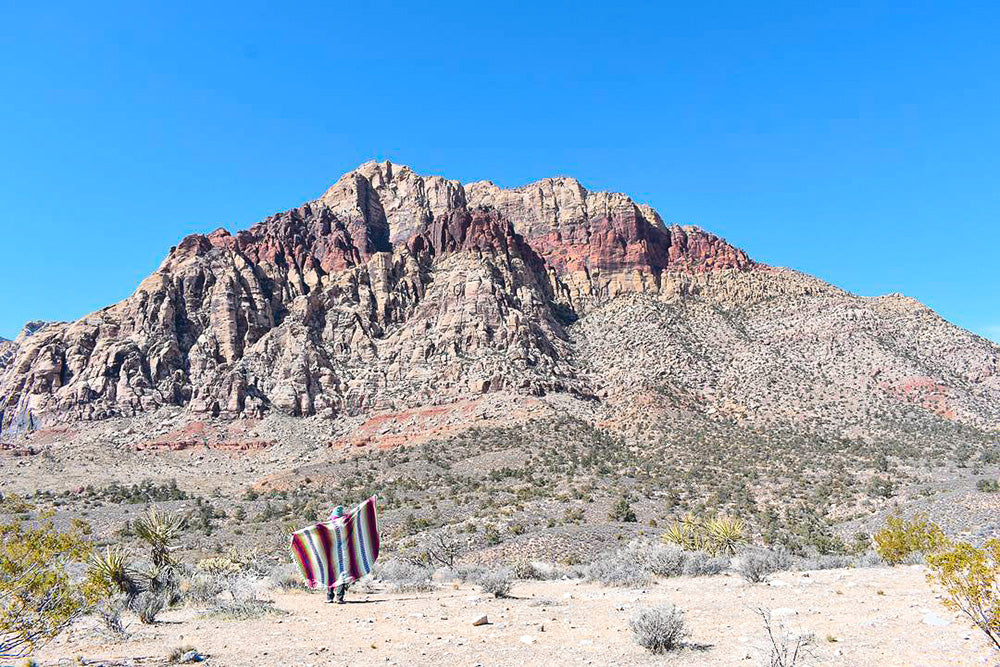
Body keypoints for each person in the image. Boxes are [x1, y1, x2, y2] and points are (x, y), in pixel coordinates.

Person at [326, 505, 349, 604]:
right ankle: (339, 598)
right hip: (343, 553)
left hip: (330, 553)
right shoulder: (345, 525)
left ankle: (329, 597)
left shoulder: (328, 525)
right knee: (341, 575)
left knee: (331, 574)